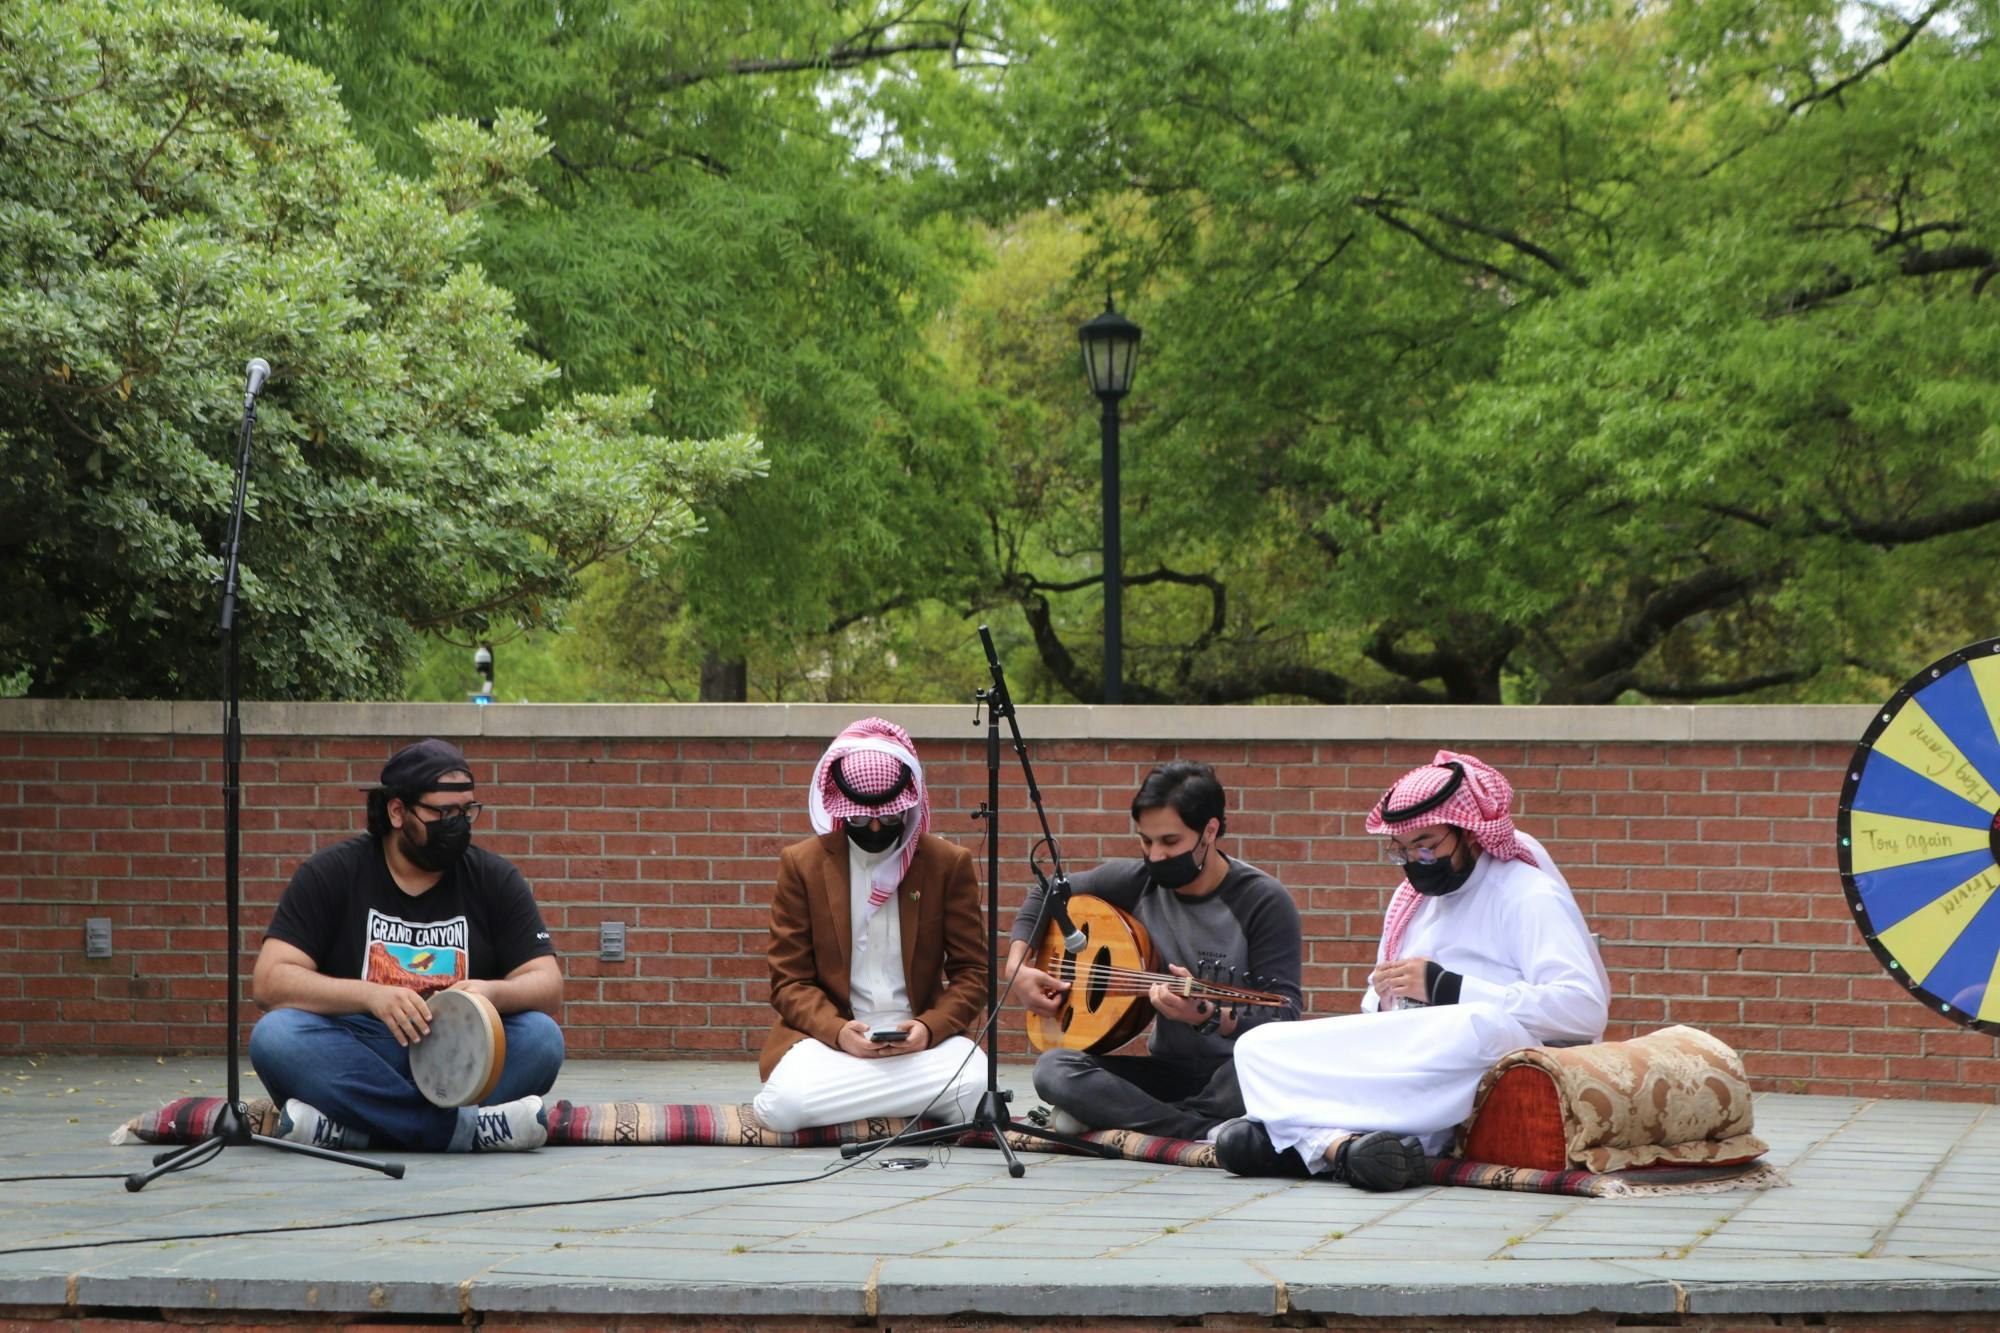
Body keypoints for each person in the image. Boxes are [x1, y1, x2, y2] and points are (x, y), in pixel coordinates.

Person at [1218, 750, 1610, 1189]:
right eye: (1402, 850)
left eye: (1426, 845)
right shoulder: (1413, 902)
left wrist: (1448, 987)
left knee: (1471, 1025)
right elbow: (1379, 1017)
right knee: (1258, 1046)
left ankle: (1300, 1138)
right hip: (1412, 1050)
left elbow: (1585, 1009)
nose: (1415, 861)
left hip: (1482, 1047)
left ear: (1471, 834)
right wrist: (1385, 996)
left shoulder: (1527, 895)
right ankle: (1343, 1148)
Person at [248, 739, 564, 1152]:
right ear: (397, 811)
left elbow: (547, 983)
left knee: (542, 1037)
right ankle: (463, 1130)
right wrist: (371, 996)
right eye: (442, 813)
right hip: (364, 1053)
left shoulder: (494, 878)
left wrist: (490, 992)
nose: (458, 824)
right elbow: (269, 981)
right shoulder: (332, 872)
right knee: (276, 1036)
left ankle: (357, 1129)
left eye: (467, 812)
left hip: (462, 1054)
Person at [1005, 761, 1302, 1142]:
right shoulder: (1137, 882)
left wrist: (1208, 1016)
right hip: (1167, 1069)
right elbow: (1047, 892)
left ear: (1210, 831)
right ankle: (1202, 1130)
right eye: (1146, 841)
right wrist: (1016, 968)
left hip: (1235, 1072)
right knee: (1054, 1070)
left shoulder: (1263, 901)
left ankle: (1142, 1121)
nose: (1156, 855)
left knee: (1261, 1078)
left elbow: (1285, 1017)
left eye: (1170, 842)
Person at [752, 718, 990, 1131]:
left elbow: (973, 974)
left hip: (919, 1046)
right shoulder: (802, 865)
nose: (876, 828)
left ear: (909, 805)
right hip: (829, 1043)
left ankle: (853, 1103)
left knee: (977, 1086)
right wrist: (841, 1033)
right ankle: (909, 1105)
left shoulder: (947, 864)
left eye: (889, 817)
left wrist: (928, 1029)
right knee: (783, 1105)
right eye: (861, 820)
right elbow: (789, 982)